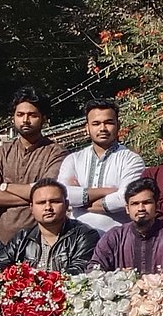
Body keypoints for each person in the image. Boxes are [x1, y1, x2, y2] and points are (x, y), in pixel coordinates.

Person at [0, 86, 66, 244]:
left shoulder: (55, 152)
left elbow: (48, 194)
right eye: (20, 114)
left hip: (39, 243)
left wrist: (5, 186)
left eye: (32, 115)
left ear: (44, 118)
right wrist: (33, 196)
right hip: (0, 242)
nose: (25, 120)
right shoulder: (1, 152)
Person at [57, 98, 145, 234]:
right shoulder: (73, 159)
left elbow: (125, 198)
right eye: (96, 123)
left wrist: (81, 202)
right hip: (77, 239)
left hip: (118, 239)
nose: (102, 128)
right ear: (87, 128)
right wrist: (107, 191)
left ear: (118, 125)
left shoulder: (132, 160)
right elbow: (62, 195)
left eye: (108, 123)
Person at [88, 177, 163, 273]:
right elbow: (95, 268)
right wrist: (118, 277)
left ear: (157, 206)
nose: (141, 208)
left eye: (146, 202)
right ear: (127, 208)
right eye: (135, 204)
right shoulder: (115, 236)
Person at [5, 179, 100, 273]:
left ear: (66, 205)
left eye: (55, 201)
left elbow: (79, 270)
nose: (48, 208)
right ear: (31, 208)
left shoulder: (84, 235)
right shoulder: (21, 238)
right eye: (41, 203)